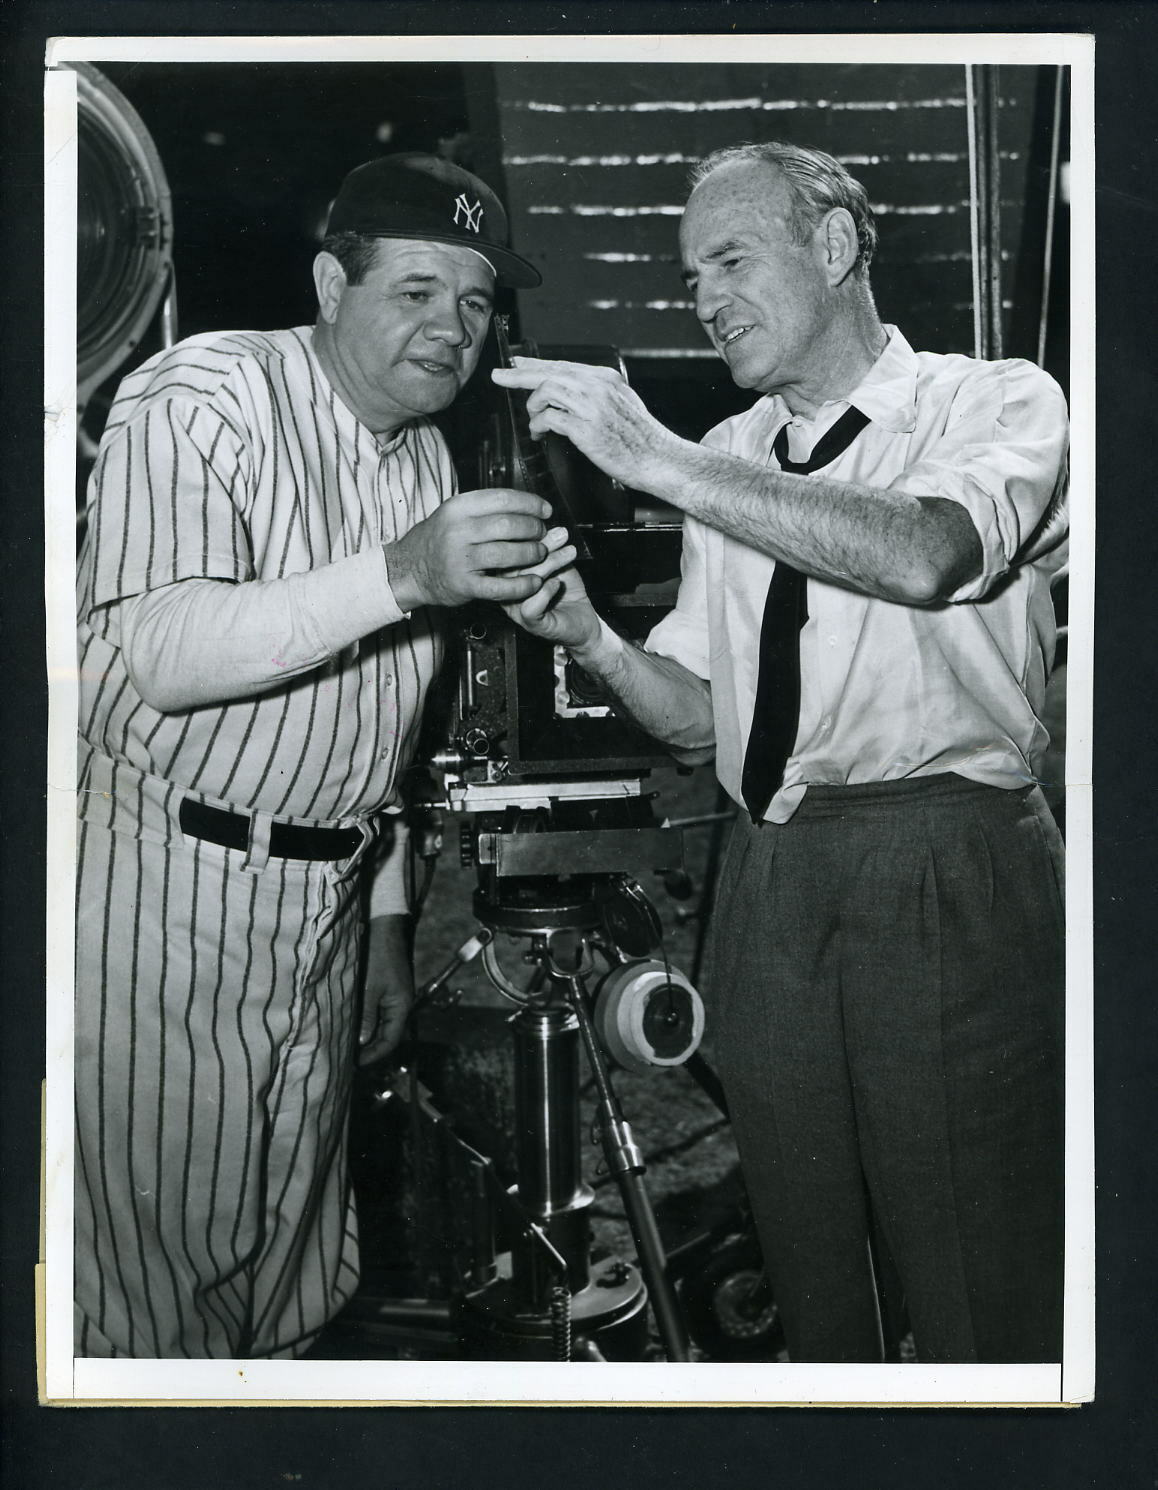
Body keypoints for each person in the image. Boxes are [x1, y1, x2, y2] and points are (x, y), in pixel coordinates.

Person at [495, 141, 1069, 1364]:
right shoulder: (735, 454)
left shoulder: (993, 401)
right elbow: (707, 715)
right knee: (816, 1284)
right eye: (690, 273)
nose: (703, 299)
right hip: (770, 884)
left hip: (943, 865)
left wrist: (657, 458)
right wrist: (588, 634)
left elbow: (926, 553)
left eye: (730, 259)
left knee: (979, 1283)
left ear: (837, 245)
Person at [74, 152, 560, 1358]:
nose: (455, 327)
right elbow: (168, 653)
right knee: (148, 1296)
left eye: (477, 300)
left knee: (291, 1270)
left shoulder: (426, 459)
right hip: (159, 896)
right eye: (417, 290)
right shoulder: (204, 393)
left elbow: (377, 726)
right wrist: (405, 572)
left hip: (326, 910)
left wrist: (388, 917)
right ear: (331, 281)